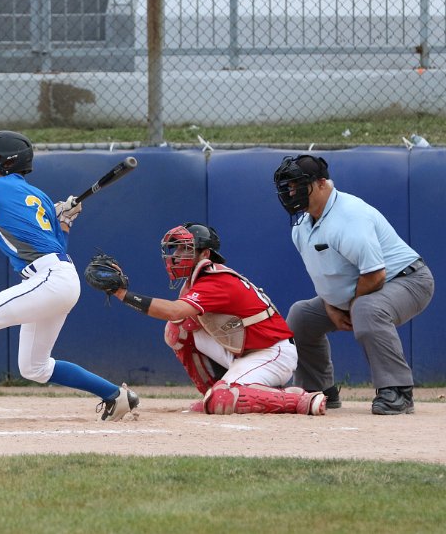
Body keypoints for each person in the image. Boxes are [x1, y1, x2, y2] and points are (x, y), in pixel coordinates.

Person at [0, 130, 139, 426]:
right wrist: (63, 219)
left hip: (50, 277)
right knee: (34, 367)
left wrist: (58, 214)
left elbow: (21, 222)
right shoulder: (42, 198)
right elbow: (58, 244)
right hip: (60, 277)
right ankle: (115, 395)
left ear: (8, 162)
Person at [86, 223, 327, 415]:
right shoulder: (195, 281)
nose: (177, 255)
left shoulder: (215, 280)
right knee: (177, 330)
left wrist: (123, 294)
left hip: (272, 353)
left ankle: (298, 399)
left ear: (205, 254)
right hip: (245, 350)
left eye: (185, 249)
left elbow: (173, 310)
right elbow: (178, 321)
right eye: (176, 249)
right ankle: (212, 393)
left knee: (223, 396)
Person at [273, 154, 435, 415]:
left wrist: (348, 306)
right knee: (301, 316)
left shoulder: (349, 216)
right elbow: (324, 276)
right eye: (289, 187)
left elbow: (375, 275)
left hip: (408, 280)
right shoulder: (301, 227)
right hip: (363, 289)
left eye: (299, 185)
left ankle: (398, 391)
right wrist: (331, 306)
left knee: (366, 309)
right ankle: (319, 390)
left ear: (322, 183)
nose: (292, 193)